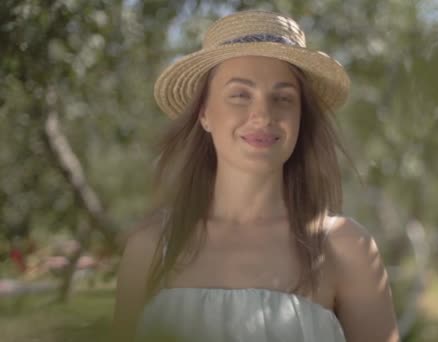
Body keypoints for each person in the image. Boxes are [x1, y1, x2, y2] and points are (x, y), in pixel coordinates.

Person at [113, 10, 399, 342]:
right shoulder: (151, 247)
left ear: (300, 117)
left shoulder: (346, 248)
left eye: (283, 98)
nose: (262, 114)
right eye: (240, 94)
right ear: (204, 112)